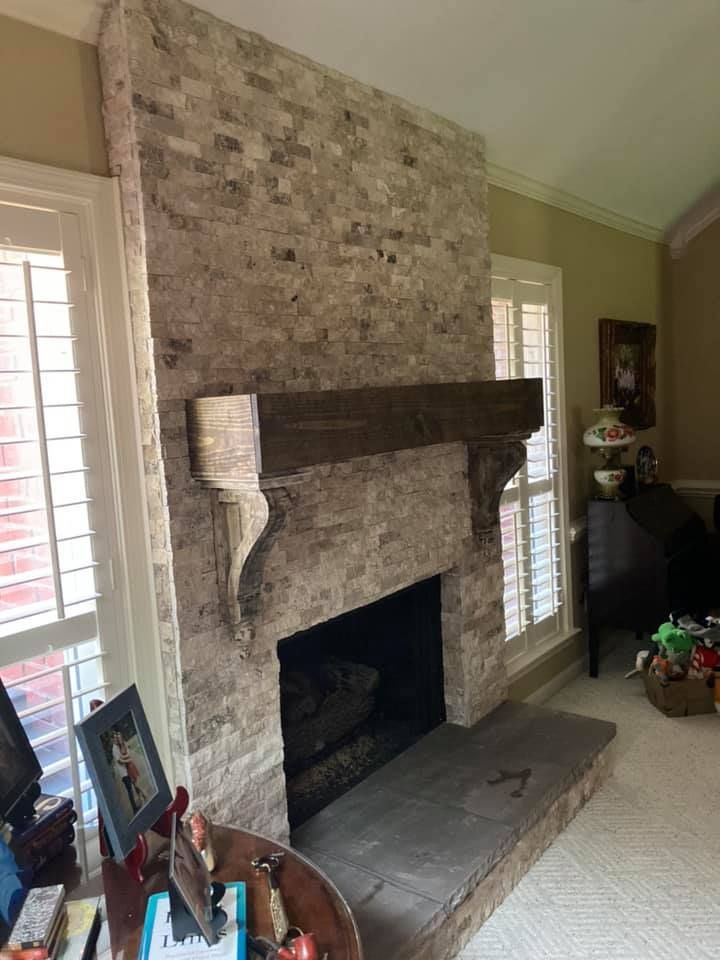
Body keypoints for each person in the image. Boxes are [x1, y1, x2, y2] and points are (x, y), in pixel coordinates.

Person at [111, 729, 139, 815]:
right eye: (115, 738)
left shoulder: (118, 747)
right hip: (124, 774)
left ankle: (139, 800)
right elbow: (119, 761)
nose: (116, 739)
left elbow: (125, 752)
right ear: (112, 740)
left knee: (134, 785)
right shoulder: (114, 749)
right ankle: (135, 809)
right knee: (130, 790)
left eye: (116, 738)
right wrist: (128, 760)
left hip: (127, 771)